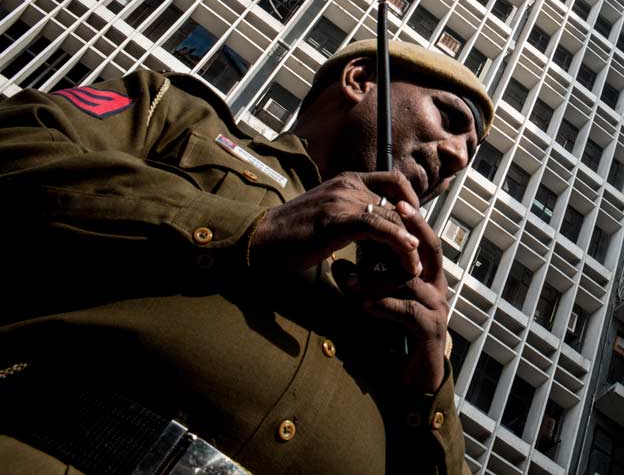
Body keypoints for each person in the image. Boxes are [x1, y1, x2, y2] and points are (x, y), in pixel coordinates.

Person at [0, 38, 494, 475]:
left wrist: (431, 384)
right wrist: (254, 230)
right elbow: (15, 145)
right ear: (360, 79)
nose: (456, 158)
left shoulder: (402, 297)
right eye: (449, 119)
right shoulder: (178, 114)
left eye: (468, 155)